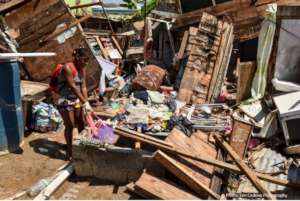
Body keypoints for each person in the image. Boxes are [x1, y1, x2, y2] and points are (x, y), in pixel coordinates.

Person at [49, 47, 93, 160]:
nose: (86, 62)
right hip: (63, 100)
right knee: (70, 125)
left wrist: (86, 102)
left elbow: (83, 86)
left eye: (88, 60)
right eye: (85, 59)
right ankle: (70, 152)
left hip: (76, 99)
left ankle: (82, 146)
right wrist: (84, 101)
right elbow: (73, 86)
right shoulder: (67, 68)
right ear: (77, 57)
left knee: (81, 122)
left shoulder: (82, 69)